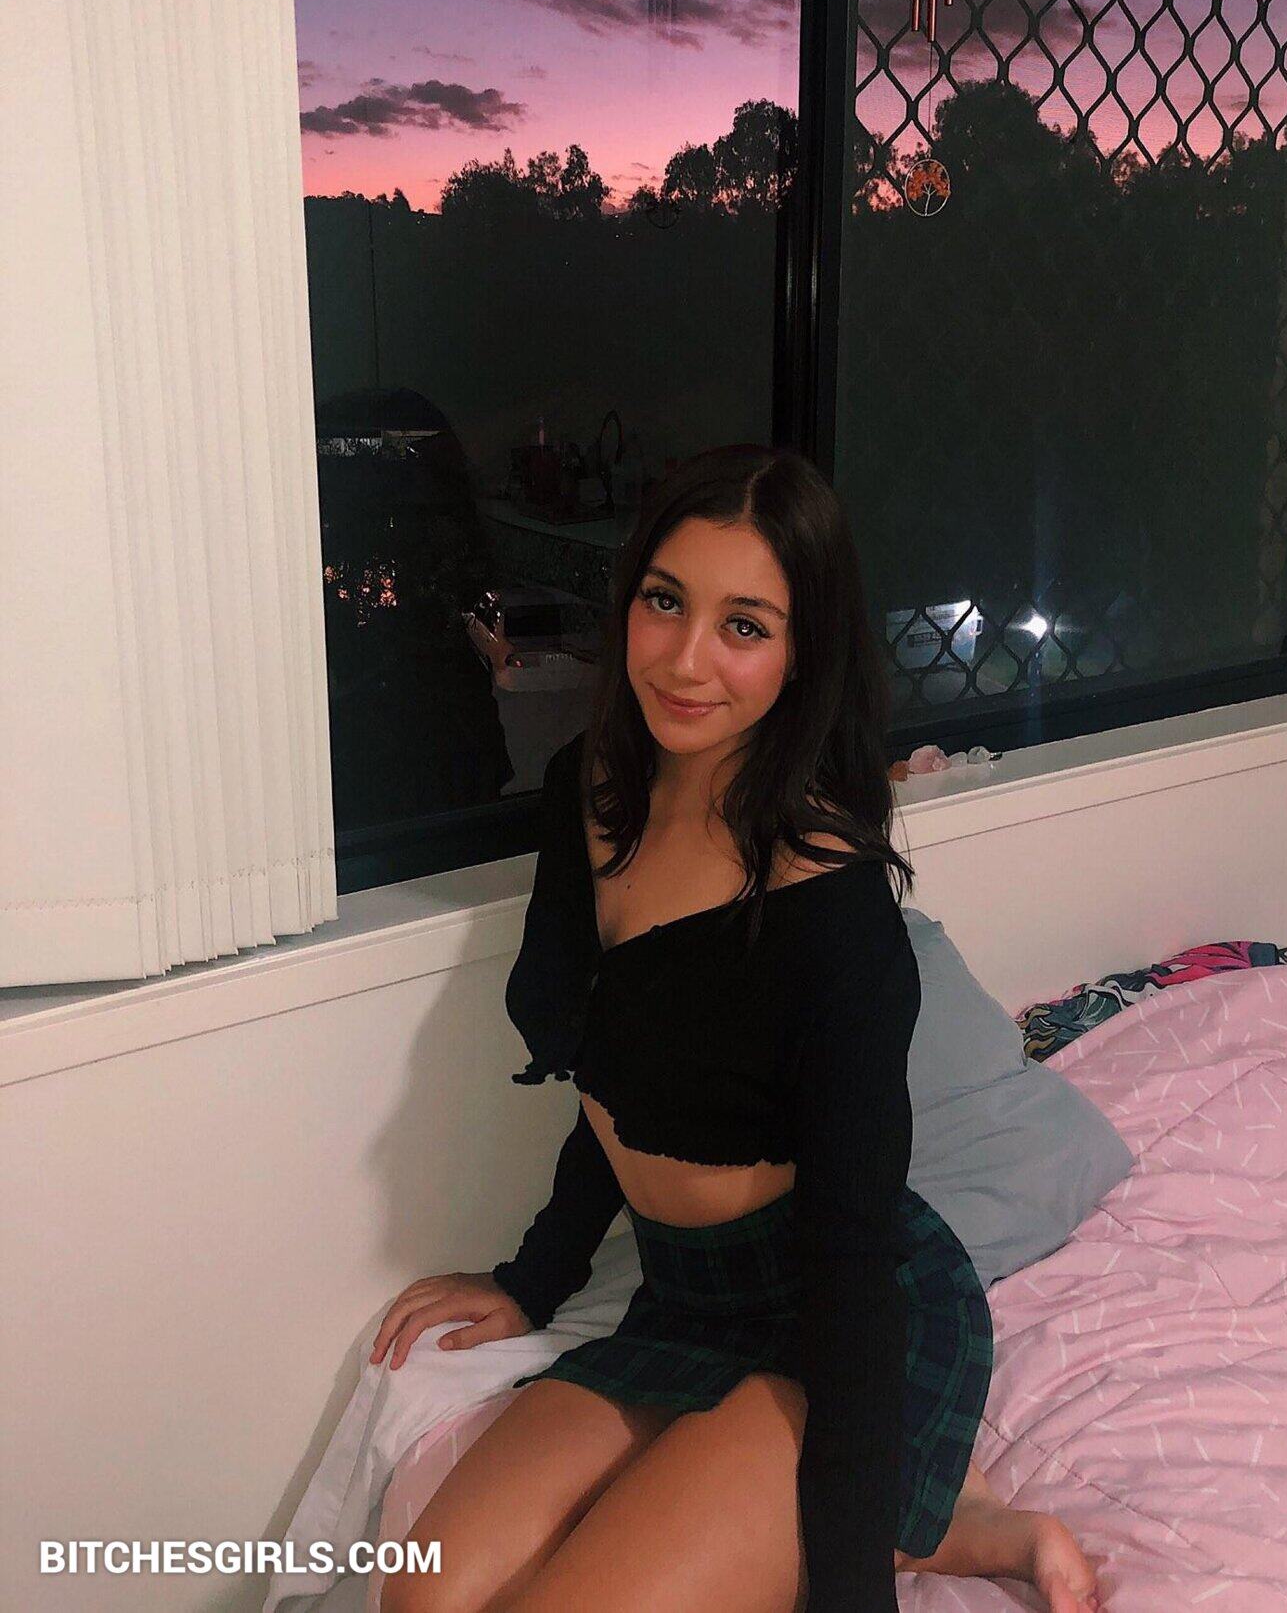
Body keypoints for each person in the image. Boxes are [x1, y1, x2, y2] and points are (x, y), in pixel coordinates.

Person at [371, 445, 1103, 1613]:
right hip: (682, 1297)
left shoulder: (831, 906)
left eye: (744, 626)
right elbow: (620, 1074)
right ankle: (943, 1524)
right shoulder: (586, 790)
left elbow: (853, 1266)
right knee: (417, 1600)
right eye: (666, 601)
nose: (685, 659)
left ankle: (928, 1522)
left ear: (802, 650)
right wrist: (532, 1278)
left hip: (830, 1315)